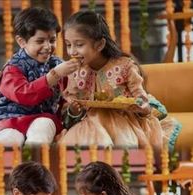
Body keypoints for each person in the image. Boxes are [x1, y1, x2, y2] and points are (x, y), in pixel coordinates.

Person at [58, 10, 181, 158]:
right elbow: (69, 104)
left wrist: (141, 106)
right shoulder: (73, 71)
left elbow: (140, 96)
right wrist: (74, 110)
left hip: (122, 121)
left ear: (99, 44)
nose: (72, 51)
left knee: (123, 144)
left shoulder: (125, 66)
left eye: (79, 45)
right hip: (88, 123)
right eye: (68, 45)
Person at [0, 7, 80, 146]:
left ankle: (32, 165)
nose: (48, 46)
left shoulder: (58, 64)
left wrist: (71, 107)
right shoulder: (13, 68)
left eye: (52, 40)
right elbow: (23, 94)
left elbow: (65, 99)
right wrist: (54, 75)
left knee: (43, 127)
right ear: (21, 41)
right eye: (40, 41)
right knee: (10, 139)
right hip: (8, 119)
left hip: (42, 118)